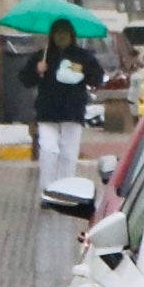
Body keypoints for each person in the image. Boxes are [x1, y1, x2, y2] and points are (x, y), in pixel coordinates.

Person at [31, 32, 98, 209]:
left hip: (72, 113)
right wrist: (37, 70)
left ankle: (65, 192)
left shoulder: (82, 56)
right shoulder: (43, 55)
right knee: (48, 150)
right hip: (47, 113)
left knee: (69, 153)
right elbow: (25, 79)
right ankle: (47, 191)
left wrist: (85, 72)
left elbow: (97, 77)